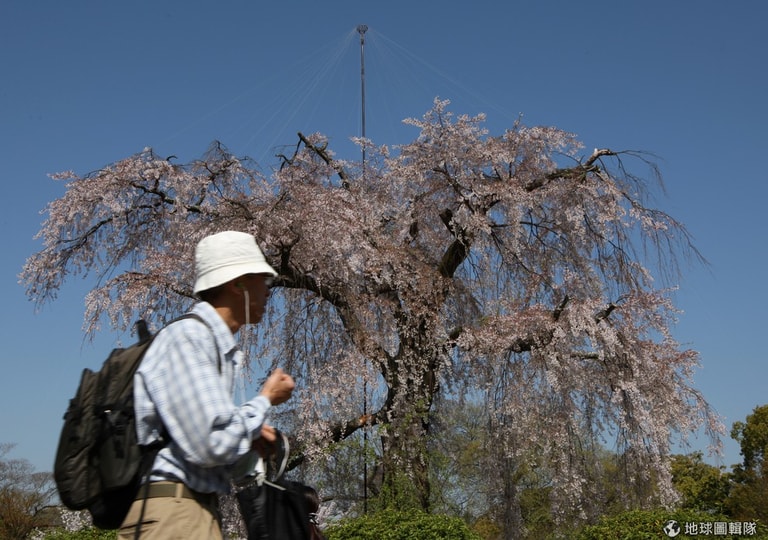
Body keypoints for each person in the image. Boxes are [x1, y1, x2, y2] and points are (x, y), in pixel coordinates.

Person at [118, 230, 296, 540]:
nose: (268, 291)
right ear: (237, 283)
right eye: (261, 280)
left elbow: (207, 449)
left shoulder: (209, 343)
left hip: (188, 512)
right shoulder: (190, 338)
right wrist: (265, 400)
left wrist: (249, 439)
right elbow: (210, 443)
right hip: (175, 516)